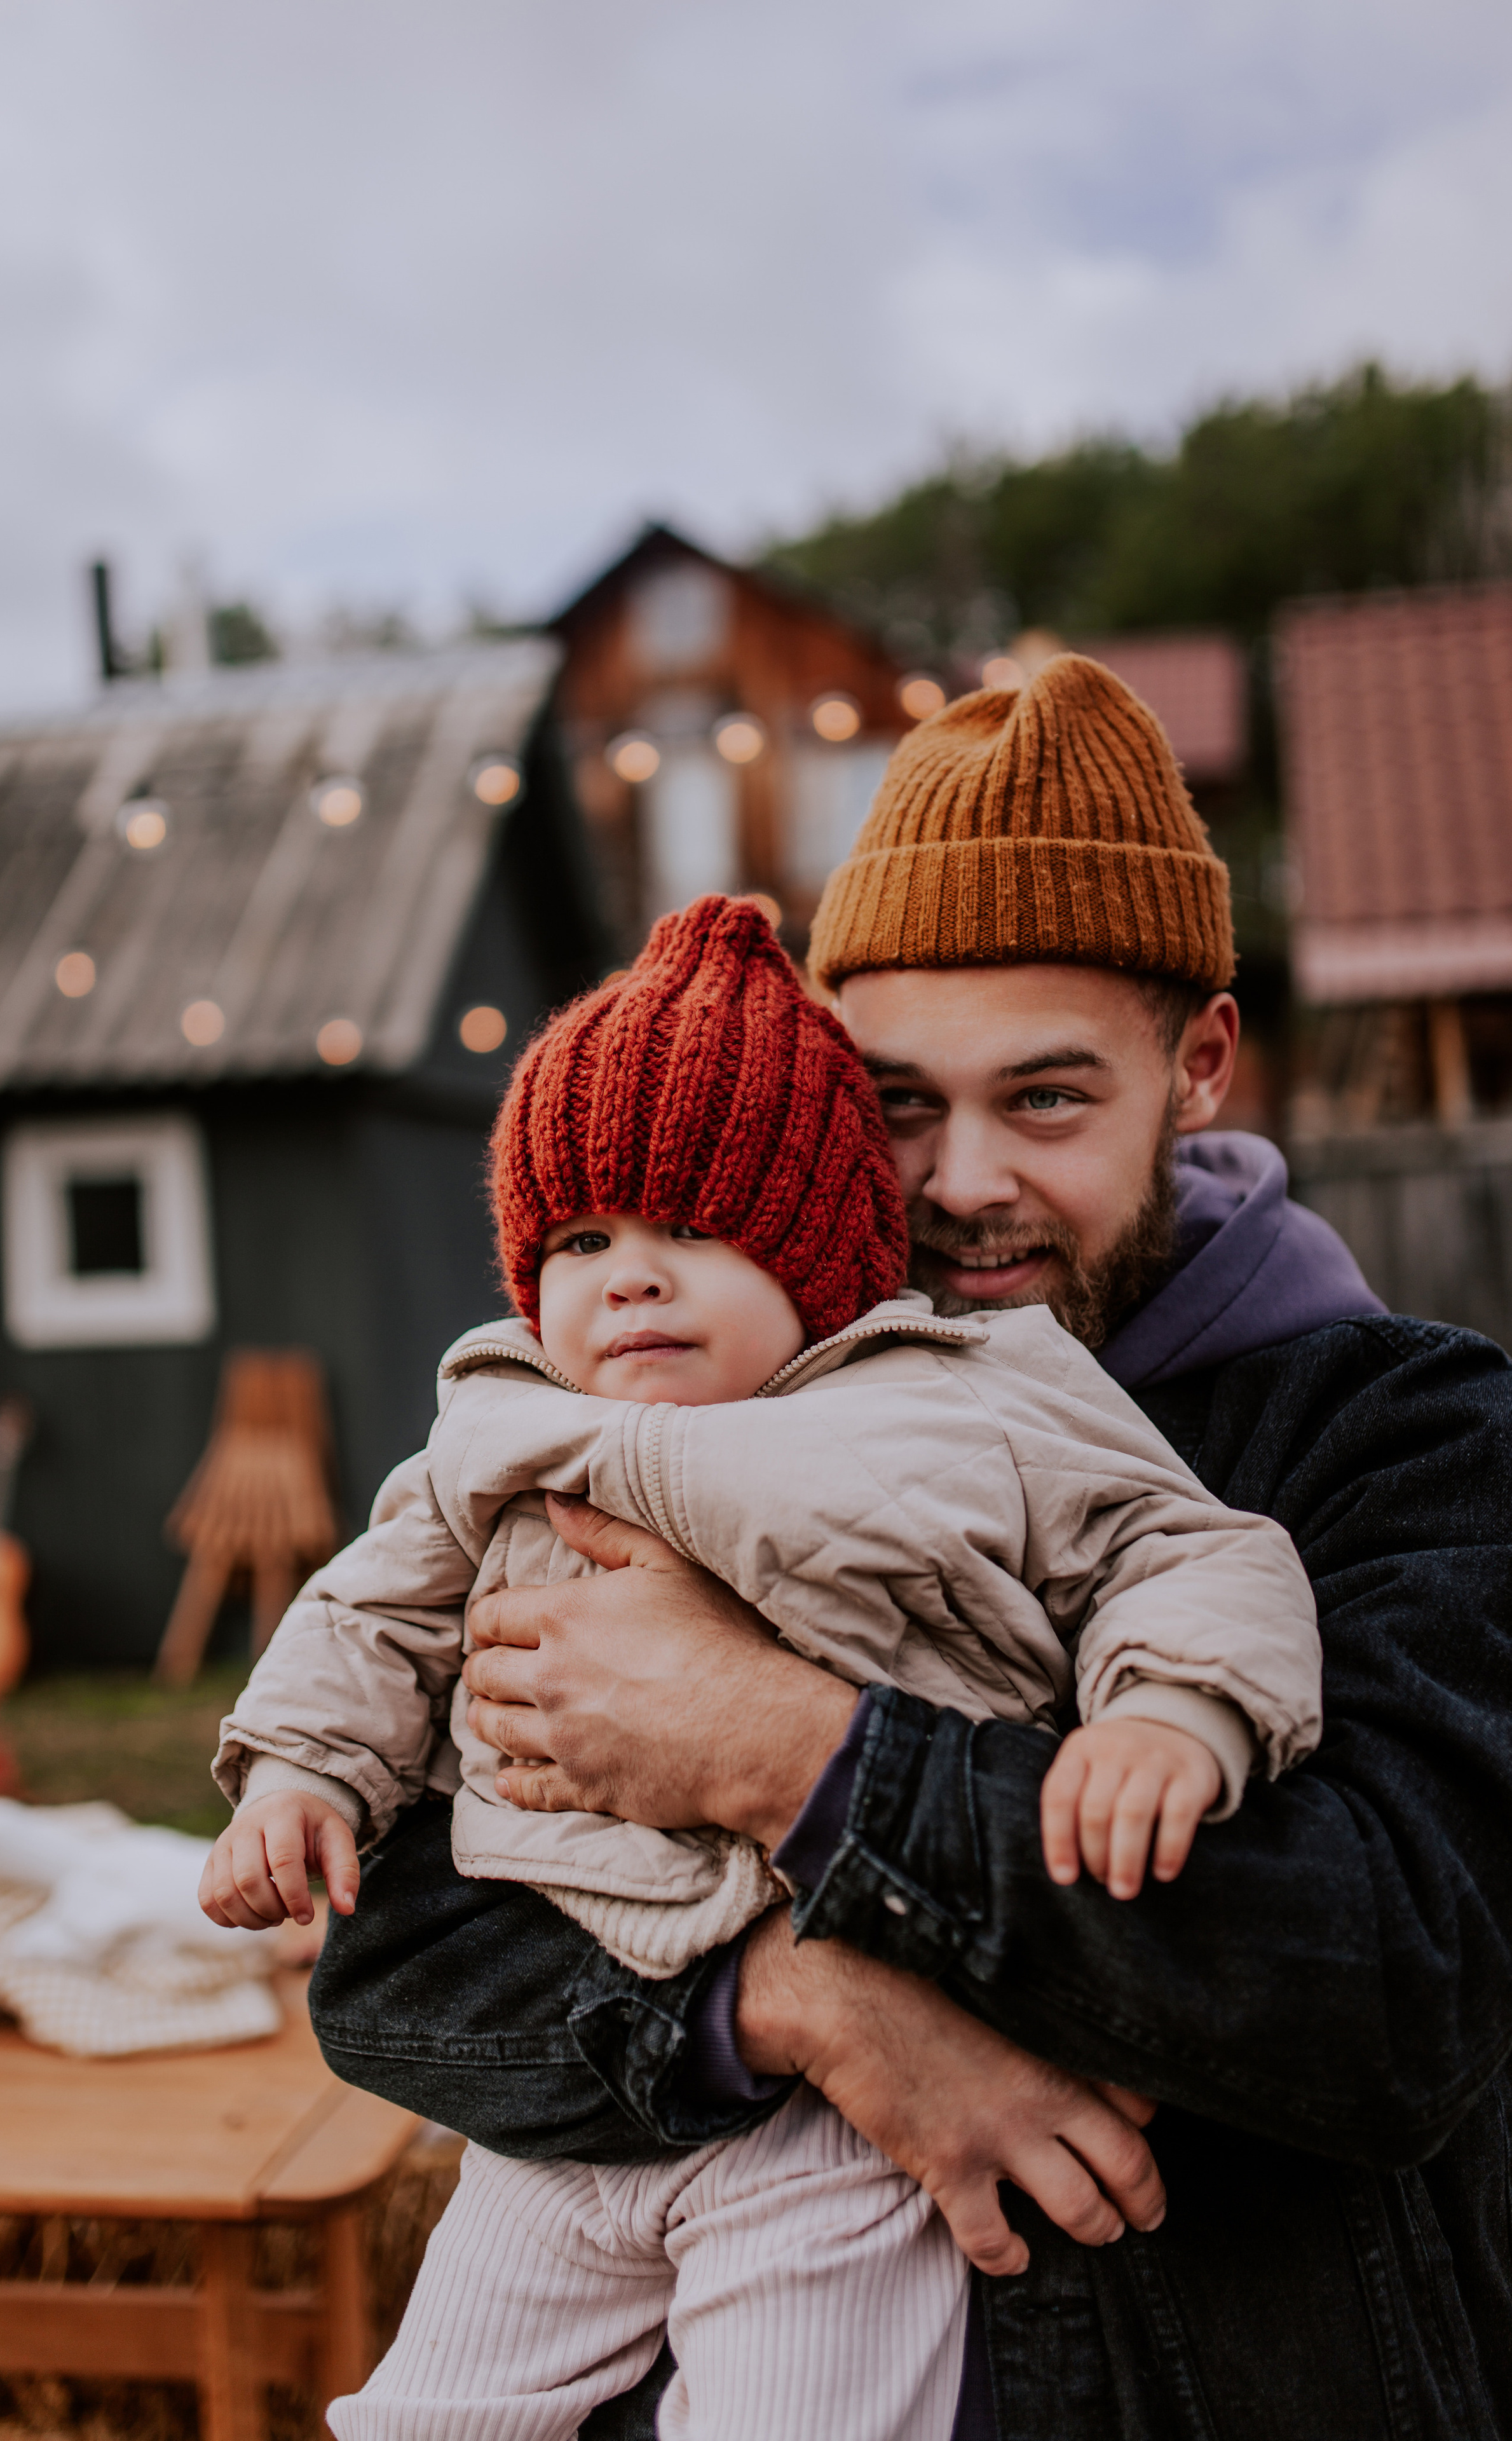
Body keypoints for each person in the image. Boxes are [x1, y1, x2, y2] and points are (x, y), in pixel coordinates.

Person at [307, 655, 1512, 2440]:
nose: (958, 1185)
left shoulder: (1401, 1440)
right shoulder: (695, 1427)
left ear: (1196, 1065)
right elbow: (396, 1969)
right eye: (894, 1103)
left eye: (1045, 1100)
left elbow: (1395, 1989)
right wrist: (791, 2004)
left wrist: (792, 1750)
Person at [202, 894, 1319, 2441]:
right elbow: (366, 1609)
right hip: (575, 2085)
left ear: (814, 1254)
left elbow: (1183, 1549)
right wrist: (298, 1770)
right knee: (427, 2414)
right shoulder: (502, 1419)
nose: (630, 1279)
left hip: (838, 2143)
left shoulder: (957, 1397)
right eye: (582, 1240)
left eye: (694, 1229)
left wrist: (1175, 1712)